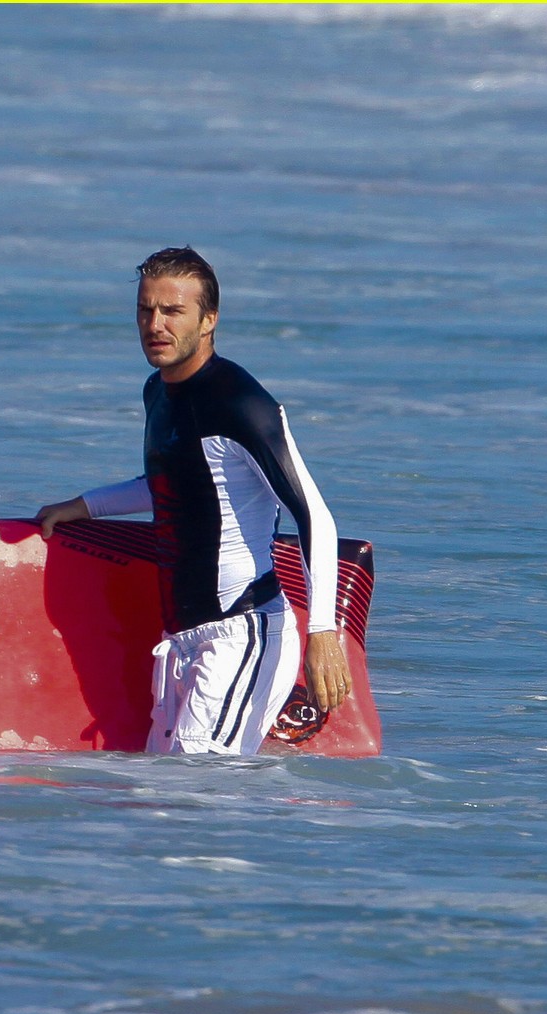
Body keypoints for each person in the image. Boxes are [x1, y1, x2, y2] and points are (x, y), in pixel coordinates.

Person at [36, 246, 350, 755]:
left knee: (194, 794)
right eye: (146, 309)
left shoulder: (242, 403)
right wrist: (84, 506)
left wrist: (323, 632)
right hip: (181, 640)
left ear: (208, 321)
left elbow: (314, 512)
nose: (155, 324)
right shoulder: (157, 392)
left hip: (241, 632)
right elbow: (175, 483)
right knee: (170, 808)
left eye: (173, 311)